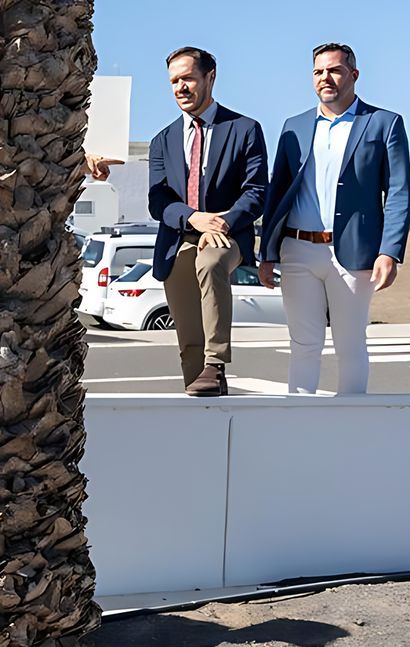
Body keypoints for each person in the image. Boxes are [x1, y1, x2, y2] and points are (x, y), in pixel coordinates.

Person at [259, 43, 410, 394]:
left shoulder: (383, 124)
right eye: (318, 72)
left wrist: (390, 251)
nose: (325, 78)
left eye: (335, 70)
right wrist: (267, 252)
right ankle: (298, 424)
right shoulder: (293, 126)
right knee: (303, 345)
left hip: (354, 253)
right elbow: (277, 192)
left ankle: (351, 427)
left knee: (350, 344)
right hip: (297, 250)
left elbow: (399, 192)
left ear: (353, 75)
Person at [144, 47, 268, 396]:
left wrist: (223, 222)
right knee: (187, 334)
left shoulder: (244, 129)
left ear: (210, 77)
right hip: (179, 238)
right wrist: (194, 218)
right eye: (174, 81)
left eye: (188, 78)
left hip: (227, 233)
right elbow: (158, 200)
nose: (180, 87)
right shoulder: (162, 140)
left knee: (211, 261)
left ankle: (216, 364)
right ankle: (199, 386)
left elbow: (256, 191)